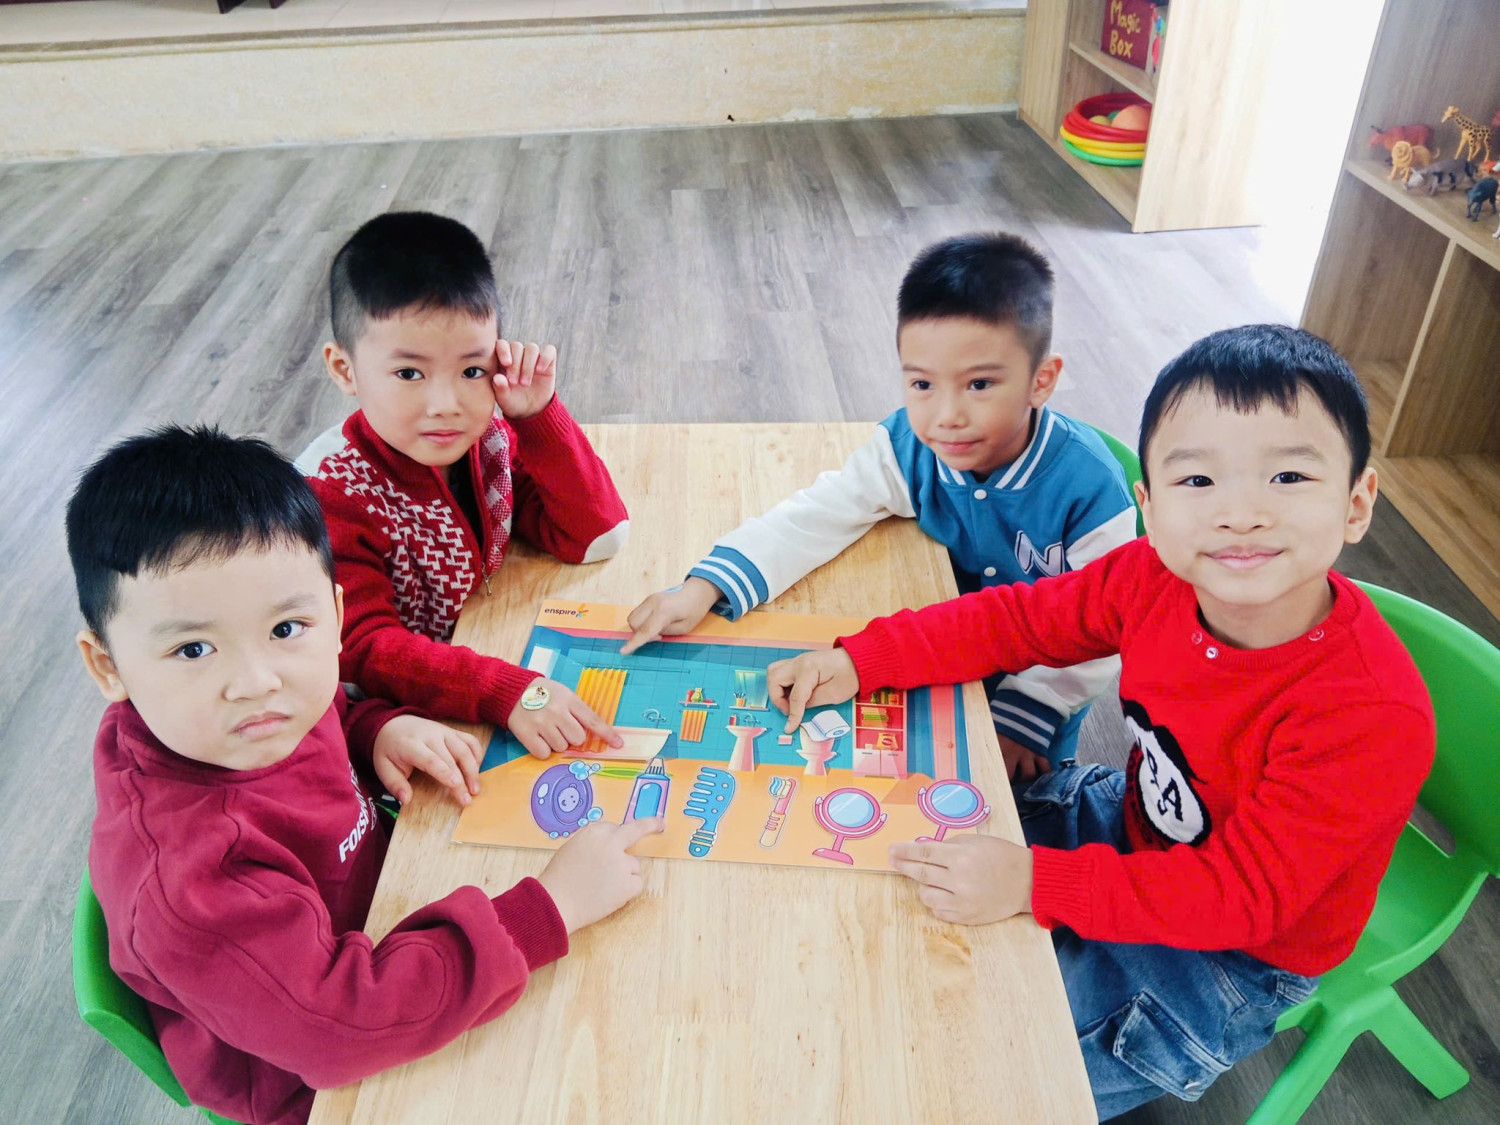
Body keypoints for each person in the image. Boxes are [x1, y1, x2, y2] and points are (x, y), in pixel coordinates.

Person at [762, 325, 1436, 1119]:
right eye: (1197, 480)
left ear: (1356, 502)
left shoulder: (1368, 712)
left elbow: (1243, 896)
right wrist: (864, 657)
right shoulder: (1152, 572)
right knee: (875, 867)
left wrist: (1032, 883)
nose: (1240, 514)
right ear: (1149, 505)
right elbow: (1018, 621)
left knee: (963, 1082)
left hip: (1231, 957)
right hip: (1132, 822)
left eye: (1288, 475)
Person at [70, 426, 661, 1125]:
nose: (257, 682)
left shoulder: (239, 721)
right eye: (193, 649)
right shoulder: (194, 886)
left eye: (286, 629)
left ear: (335, 613)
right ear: (108, 666)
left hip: (392, 920)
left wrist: (375, 728)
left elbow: (325, 714)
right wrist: (548, 910)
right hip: (328, 1082)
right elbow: (340, 1029)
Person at [623, 233, 1136, 778]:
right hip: (931, 652)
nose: (946, 416)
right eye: (922, 383)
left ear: (1041, 381)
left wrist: (1028, 713)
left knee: (1021, 804)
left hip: (1036, 704)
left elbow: (1103, 626)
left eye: (979, 384)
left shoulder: (1093, 491)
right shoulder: (907, 447)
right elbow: (818, 514)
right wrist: (706, 587)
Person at [298, 211, 629, 759]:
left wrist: (538, 416)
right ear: (344, 368)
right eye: (409, 373)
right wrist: (502, 689)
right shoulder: (327, 492)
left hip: (469, 655)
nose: (446, 404)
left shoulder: (488, 437)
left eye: (472, 371)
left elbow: (596, 535)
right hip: (377, 725)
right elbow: (358, 648)